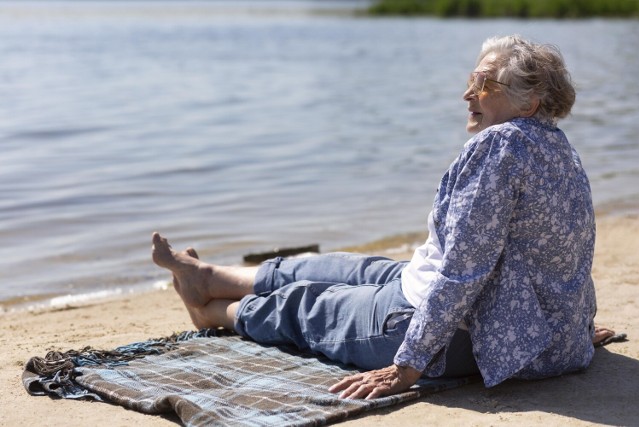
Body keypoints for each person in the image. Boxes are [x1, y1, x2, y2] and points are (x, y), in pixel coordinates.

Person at [152, 34, 613, 400]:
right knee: (346, 268)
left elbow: (464, 270)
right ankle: (208, 275)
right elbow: (567, 254)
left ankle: (212, 310)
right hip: (492, 314)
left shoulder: (499, 146)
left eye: (483, 84)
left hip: (453, 331)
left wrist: (408, 364)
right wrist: (563, 331)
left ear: (527, 103)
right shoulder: (557, 147)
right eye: (472, 80)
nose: (467, 93)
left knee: (310, 306)